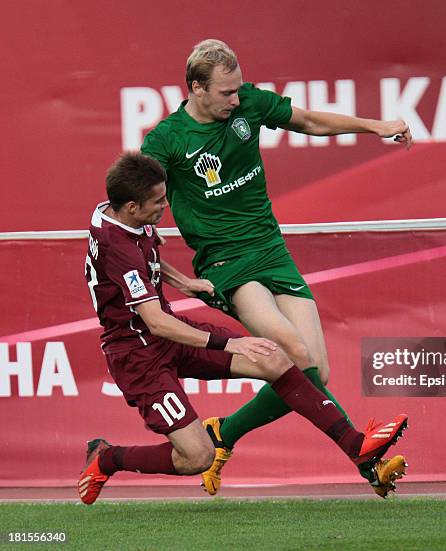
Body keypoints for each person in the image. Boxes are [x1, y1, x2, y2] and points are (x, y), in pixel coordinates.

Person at [141, 39, 412, 498]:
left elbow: (306, 120)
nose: (236, 98)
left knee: (316, 371)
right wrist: (179, 277)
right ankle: (365, 458)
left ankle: (224, 432)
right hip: (226, 263)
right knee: (295, 355)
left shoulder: (249, 105)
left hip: (272, 250)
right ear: (196, 88)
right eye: (226, 92)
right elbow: (137, 207)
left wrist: (376, 126)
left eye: (238, 89)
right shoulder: (167, 139)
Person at [78, 152, 407, 505]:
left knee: (275, 358)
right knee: (197, 458)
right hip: (138, 355)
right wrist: (229, 345)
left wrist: (182, 281)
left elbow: (149, 254)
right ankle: (106, 457)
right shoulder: (117, 247)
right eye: (158, 202)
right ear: (131, 207)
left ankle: (356, 447)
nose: (164, 207)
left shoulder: (118, 212)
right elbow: (156, 321)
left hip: (169, 332)